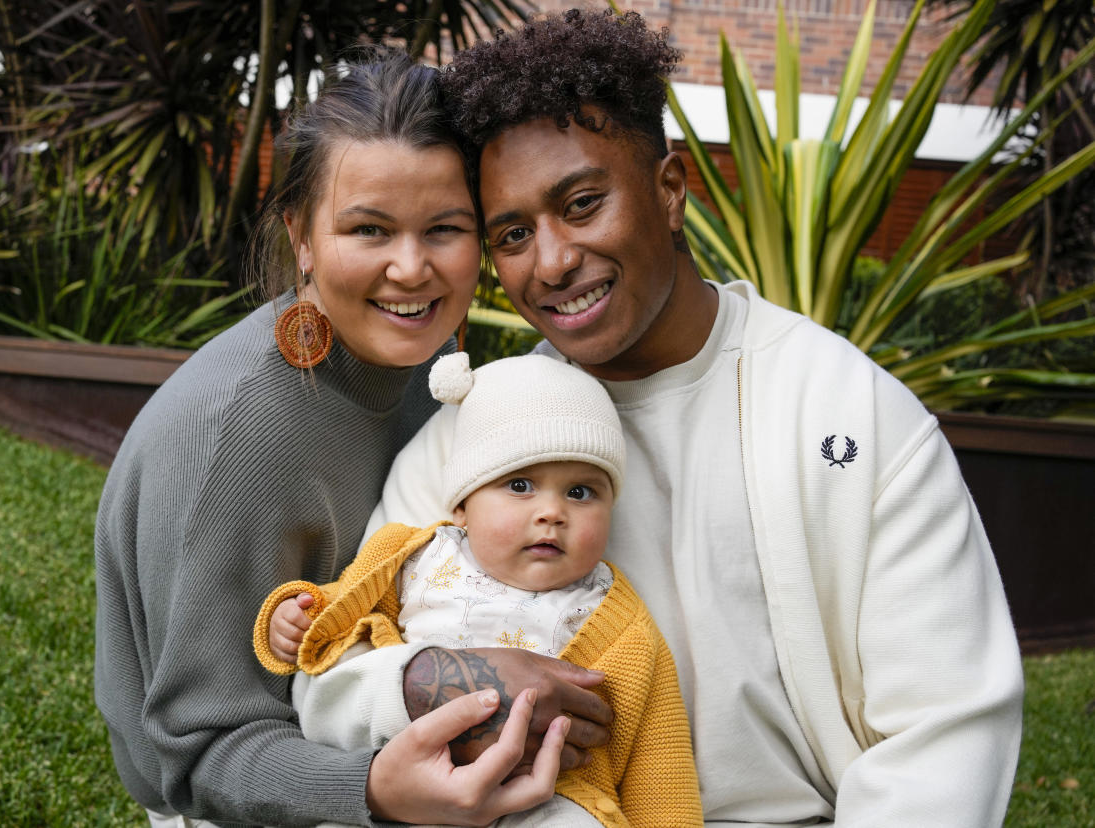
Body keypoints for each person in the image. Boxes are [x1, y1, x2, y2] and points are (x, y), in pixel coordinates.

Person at [298, 9, 1025, 826]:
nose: (553, 260)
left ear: (670, 190)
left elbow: (943, 734)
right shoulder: (484, 426)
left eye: (581, 203)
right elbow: (333, 668)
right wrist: (430, 677)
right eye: (512, 232)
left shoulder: (848, 415)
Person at [93, 50, 578, 828]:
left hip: (382, 725)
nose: (412, 269)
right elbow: (197, 751)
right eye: (369, 230)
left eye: (445, 229)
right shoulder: (235, 437)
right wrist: (376, 791)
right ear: (303, 236)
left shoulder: (428, 356)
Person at [255, 352, 703, 828]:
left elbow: (659, 758)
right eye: (521, 484)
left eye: (580, 492)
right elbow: (342, 621)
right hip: (414, 776)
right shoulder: (411, 557)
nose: (552, 512)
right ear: (463, 506)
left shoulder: (615, 619)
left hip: (548, 795)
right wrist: (298, 616)